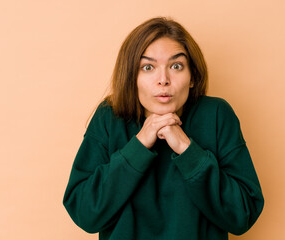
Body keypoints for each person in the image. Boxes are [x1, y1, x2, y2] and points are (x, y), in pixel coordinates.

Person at [63, 17, 264, 239]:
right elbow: (84, 213)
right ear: (132, 77)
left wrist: (188, 151)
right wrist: (138, 147)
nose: (163, 80)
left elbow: (243, 214)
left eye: (176, 66)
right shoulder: (110, 116)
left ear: (192, 77)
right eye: (148, 67)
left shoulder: (216, 114)